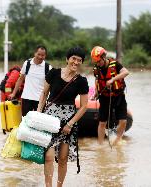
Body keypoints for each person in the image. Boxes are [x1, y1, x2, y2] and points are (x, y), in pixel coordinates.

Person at [37, 47, 88, 187]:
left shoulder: (81, 81)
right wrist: (38, 114)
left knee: (63, 158)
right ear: (67, 59)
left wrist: (70, 124)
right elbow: (44, 94)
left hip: (68, 122)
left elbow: (84, 106)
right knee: (48, 157)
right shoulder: (53, 73)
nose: (76, 62)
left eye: (79, 60)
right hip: (49, 120)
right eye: (73, 58)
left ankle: (59, 186)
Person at [90, 46, 129, 146]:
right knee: (102, 123)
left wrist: (113, 79)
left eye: (99, 61)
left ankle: (116, 141)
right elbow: (97, 81)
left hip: (119, 96)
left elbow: (126, 72)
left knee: (123, 121)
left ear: (104, 57)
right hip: (104, 97)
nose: (98, 63)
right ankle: (100, 145)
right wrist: (96, 93)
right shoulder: (96, 69)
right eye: (96, 61)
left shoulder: (115, 64)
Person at [9, 45, 51, 116]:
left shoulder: (48, 67)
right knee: (25, 121)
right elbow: (20, 79)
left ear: (45, 56)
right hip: (26, 98)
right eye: (39, 54)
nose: (40, 57)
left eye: (43, 55)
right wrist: (13, 93)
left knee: (40, 122)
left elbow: (51, 85)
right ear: (35, 53)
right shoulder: (27, 64)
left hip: (40, 100)